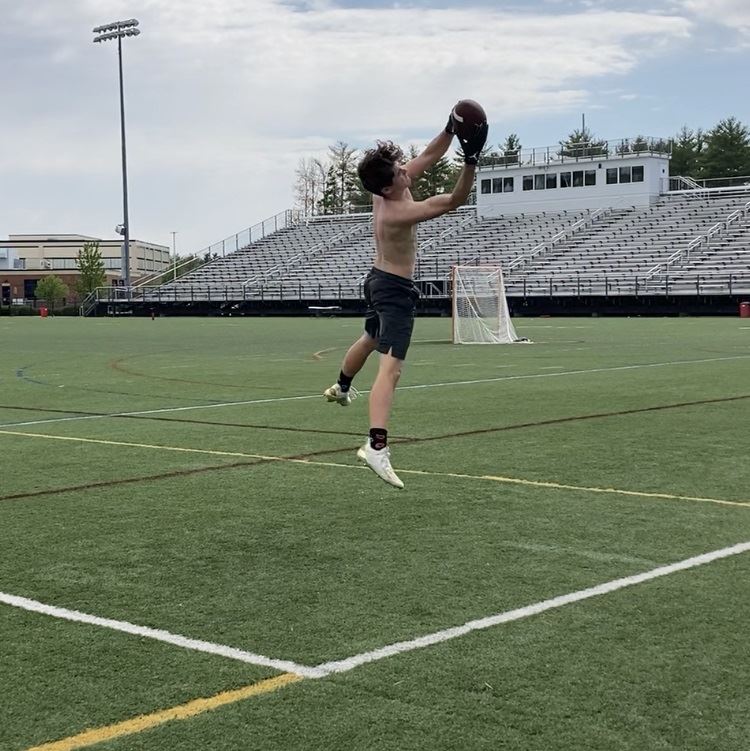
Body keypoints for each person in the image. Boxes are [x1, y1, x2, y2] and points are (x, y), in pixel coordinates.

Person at [324, 105, 488, 489]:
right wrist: (471, 160)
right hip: (394, 290)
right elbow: (453, 200)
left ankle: (342, 387)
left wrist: (450, 129)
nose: (405, 170)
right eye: (399, 171)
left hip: (377, 280)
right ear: (388, 187)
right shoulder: (397, 211)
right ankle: (376, 446)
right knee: (391, 369)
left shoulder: (387, 189)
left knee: (370, 337)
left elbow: (430, 155)